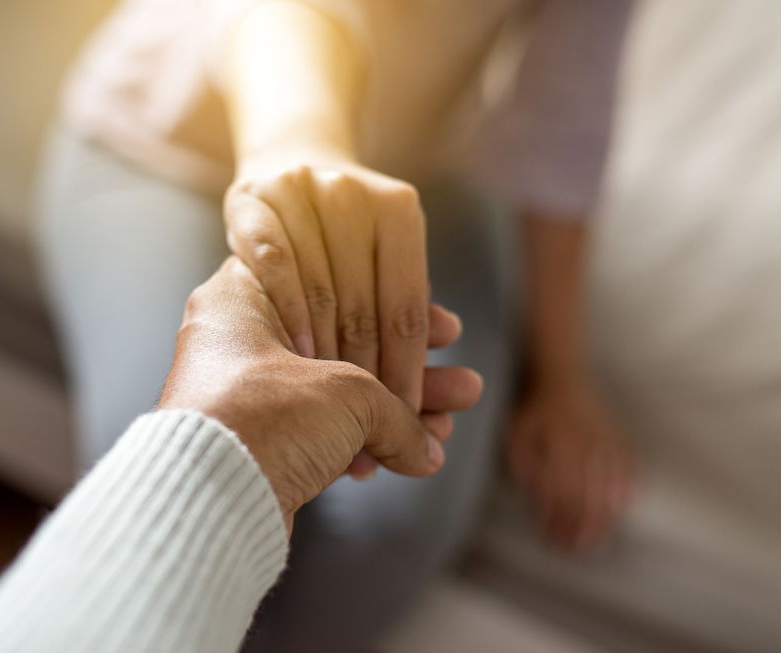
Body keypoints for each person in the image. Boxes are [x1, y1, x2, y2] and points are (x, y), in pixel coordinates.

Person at [38, 0, 635, 649]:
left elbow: (563, 122)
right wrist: (299, 146)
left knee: (393, 521)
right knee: (172, 491)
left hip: (412, 176)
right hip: (164, 145)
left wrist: (561, 377)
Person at [0, 258, 484, 652]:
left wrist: (559, 381)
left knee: (380, 533)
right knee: (131, 431)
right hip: (171, 149)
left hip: (441, 184)